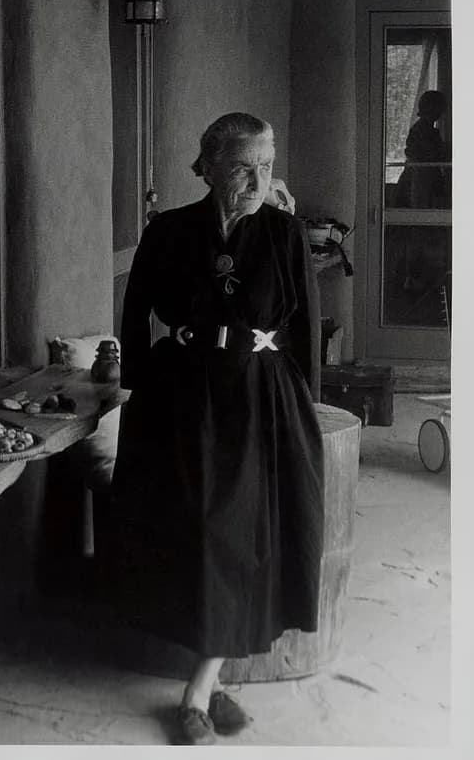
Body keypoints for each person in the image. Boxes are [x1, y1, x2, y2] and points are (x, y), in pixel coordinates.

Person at [107, 112, 324, 745]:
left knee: (238, 535)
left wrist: (304, 405)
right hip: (181, 396)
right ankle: (216, 679)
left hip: (258, 398)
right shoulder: (169, 231)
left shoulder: (287, 235)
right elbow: (136, 309)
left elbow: (305, 331)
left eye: (266, 166)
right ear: (209, 167)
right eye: (241, 167)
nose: (257, 180)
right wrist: (139, 387)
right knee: (193, 532)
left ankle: (198, 691)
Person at [396, 90, 450, 209]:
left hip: (422, 180)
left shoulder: (425, 129)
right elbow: (426, 156)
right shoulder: (422, 130)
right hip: (419, 180)